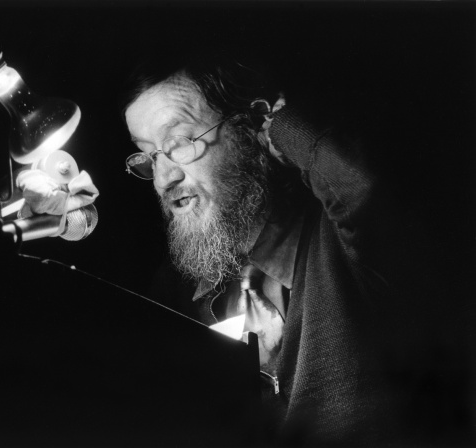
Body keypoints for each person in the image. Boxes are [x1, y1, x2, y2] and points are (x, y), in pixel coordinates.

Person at [117, 47, 444, 446]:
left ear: (248, 126)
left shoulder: (344, 243)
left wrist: (282, 126)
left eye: (180, 141)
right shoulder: (178, 289)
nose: (164, 178)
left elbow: (361, 189)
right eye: (149, 155)